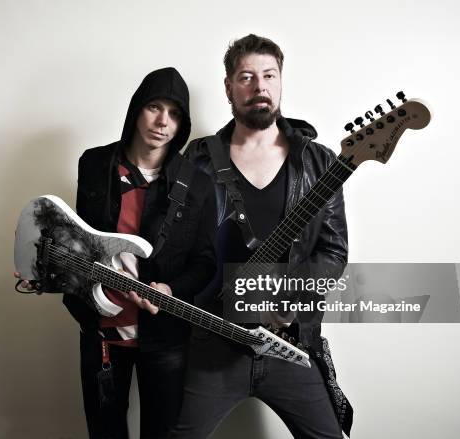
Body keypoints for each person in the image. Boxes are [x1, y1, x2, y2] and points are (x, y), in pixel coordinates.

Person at [170, 35, 353, 439]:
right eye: (247, 76)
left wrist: (293, 297)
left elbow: (334, 250)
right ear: (229, 87)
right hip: (214, 343)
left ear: (281, 81)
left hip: (291, 343)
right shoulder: (197, 159)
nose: (260, 86)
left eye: (269, 75)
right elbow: (178, 246)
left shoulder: (317, 161)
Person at [61, 67, 216, 439]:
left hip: (164, 335)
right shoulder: (94, 165)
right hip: (100, 331)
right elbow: (77, 241)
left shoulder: (198, 184)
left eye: (175, 114)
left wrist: (170, 291)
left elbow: (206, 262)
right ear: (136, 109)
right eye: (154, 107)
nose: (163, 121)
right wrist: (45, 264)